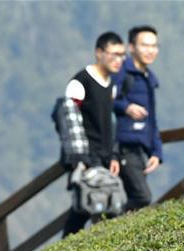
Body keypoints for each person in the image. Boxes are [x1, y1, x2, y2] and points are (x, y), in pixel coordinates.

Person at [61, 31, 125, 237]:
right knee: (84, 207)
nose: (118, 60)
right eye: (114, 54)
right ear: (99, 52)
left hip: (105, 157)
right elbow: (68, 122)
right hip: (86, 157)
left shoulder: (111, 84)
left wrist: (114, 154)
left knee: (105, 207)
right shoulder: (80, 83)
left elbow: (111, 122)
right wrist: (79, 159)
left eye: (122, 55)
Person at [113, 25, 163, 212]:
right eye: (145, 45)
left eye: (154, 46)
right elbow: (105, 102)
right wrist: (126, 107)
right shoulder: (121, 72)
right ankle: (108, 225)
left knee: (134, 197)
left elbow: (152, 120)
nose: (150, 50)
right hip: (123, 147)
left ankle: (112, 232)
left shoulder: (149, 78)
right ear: (131, 47)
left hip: (141, 148)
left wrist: (157, 152)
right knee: (142, 197)